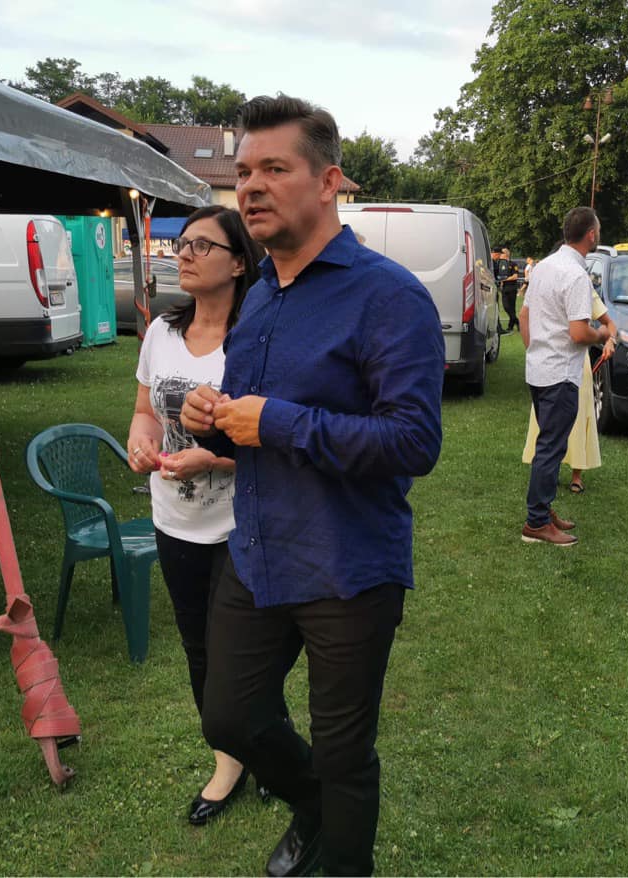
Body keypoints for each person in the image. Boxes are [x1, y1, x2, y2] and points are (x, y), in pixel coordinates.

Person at [179, 95, 444, 877]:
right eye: (242, 172)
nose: (250, 187)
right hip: (260, 553)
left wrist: (280, 422)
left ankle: (341, 855)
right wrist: (210, 421)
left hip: (348, 564)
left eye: (274, 168)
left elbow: (415, 441)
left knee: (342, 750)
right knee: (230, 717)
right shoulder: (262, 292)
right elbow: (248, 420)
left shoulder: (388, 295)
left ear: (329, 182)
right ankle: (315, 810)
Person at [126, 206, 265, 824]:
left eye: (201, 246)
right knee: (199, 648)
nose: (183, 253)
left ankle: (267, 745)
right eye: (182, 243)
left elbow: (272, 436)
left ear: (237, 264)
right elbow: (144, 411)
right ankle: (228, 761)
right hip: (174, 522)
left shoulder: (256, 338)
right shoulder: (162, 331)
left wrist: (213, 459)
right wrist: (140, 441)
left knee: (248, 651)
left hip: (241, 525)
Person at [518, 208, 615, 546]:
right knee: (551, 447)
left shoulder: (543, 266)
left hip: (539, 369)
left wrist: (535, 351)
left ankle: (543, 512)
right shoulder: (576, 276)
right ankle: (536, 523)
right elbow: (578, 332)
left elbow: (524, 316)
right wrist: (602, 334)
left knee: (549, 444)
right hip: (560, 373)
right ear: (591, 235)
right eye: (597, 230)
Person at [520, 256, 615, 494]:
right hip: (552, 363)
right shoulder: (555, 280)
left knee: (578, 417)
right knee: (548, 429)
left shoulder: (578, 283)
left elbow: (607, 323)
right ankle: (544, 488)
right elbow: (525, 316)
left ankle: (574, 474)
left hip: (571, 364)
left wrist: (610, 340)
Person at [498, 247, 521, 332]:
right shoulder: (501, 265)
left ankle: (510, 326)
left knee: (512, 307)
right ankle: (517, 321)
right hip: (504, 288)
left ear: (506, 254)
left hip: (512, 288)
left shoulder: (513, 264)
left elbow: (515, 276)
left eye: (501, 254)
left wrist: (505, 279)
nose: (500, 255)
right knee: (506, 307)